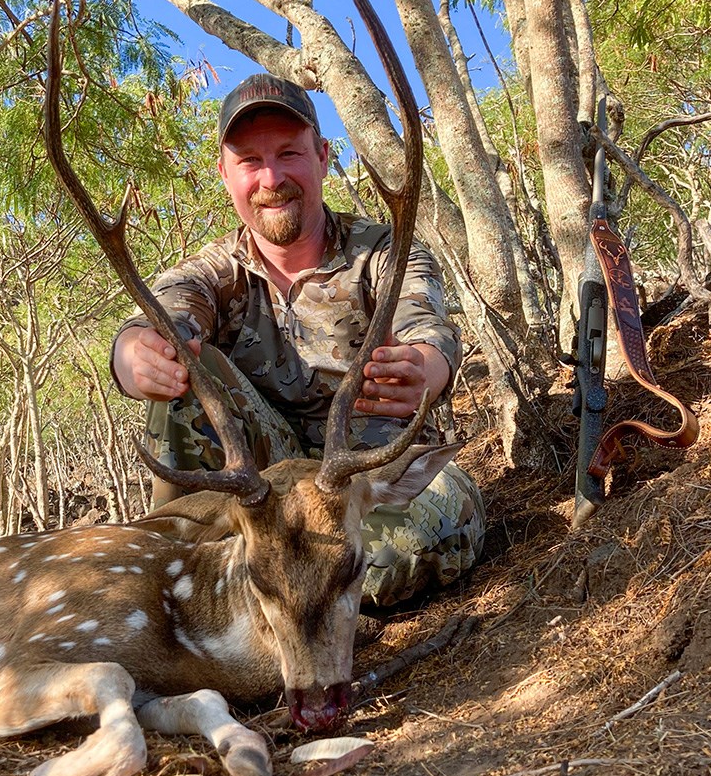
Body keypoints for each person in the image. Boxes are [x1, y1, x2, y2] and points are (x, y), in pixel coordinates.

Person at [110, 73, 484, 608]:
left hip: (369, 484)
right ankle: (180, 577)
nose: (271, 177)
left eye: (289, 153)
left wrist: (425, 371)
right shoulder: (213, 271)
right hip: (262, 492)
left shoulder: (384, 251)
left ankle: (244, 586)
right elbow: (162, 313)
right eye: (249, 161)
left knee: (397, 552)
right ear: (225, 174)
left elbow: (429, 335)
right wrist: (132, 354)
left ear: (324, 156)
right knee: (186, 364)